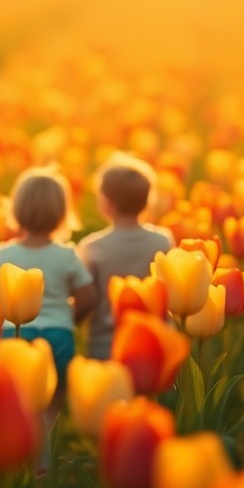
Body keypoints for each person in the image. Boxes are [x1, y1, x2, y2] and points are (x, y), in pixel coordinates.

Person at [0, 166, 95, 382]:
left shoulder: (4, 253)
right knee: (54, 393)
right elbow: (88, 297)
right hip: (59, 334)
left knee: (19, 393)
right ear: (62, 213)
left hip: (13, 336)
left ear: (16, 209)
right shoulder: (67, 254)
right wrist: (69, 318)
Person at [76, 151, 174, 359]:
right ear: (148, 201)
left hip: (106, 345)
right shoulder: (163, 240)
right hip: (152, 343)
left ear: (107, 203)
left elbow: (85, 297)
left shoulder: (92, 247)